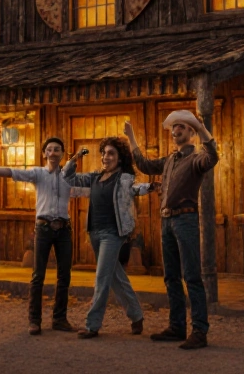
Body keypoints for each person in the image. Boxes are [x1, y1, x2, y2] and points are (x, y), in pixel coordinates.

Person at [125, 112, 218, 350]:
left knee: (192, 276)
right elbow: (145, 165)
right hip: (166, 222)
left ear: (190, 133)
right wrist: (132, 138)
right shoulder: (169, 160)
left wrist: (201, 126)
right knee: (171, 277)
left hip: (185, 220)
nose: (176, 130)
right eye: (174, 127)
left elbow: (213, 157)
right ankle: (177, 327)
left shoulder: (196, 159)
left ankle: (199, 331)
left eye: (181, 127)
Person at [0, 137, 82, 336]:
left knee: (64, 276)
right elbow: (12, 172)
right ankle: (34, 321)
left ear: (62, 154)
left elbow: (90, 189)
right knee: (38, 275)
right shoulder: (38, 174)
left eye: (57, 149)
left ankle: (59, 319)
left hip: (64, 230)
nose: (53, 152)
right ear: (44, 154)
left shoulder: (69, 177)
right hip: (43, 229)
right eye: (49, 149)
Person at [61, 136, 154, 339]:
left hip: (113, 234)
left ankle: (92, 324)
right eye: (103, 153)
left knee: (102, 278)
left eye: (111, 153)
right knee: (115, 276)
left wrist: (152, 187)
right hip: (95, 232)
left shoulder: (124, 179)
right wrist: (75, 158)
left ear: (120, 158)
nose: (106, 157)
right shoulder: (95, 177)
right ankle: (137, 315)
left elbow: (135, 189)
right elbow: (67, 178)